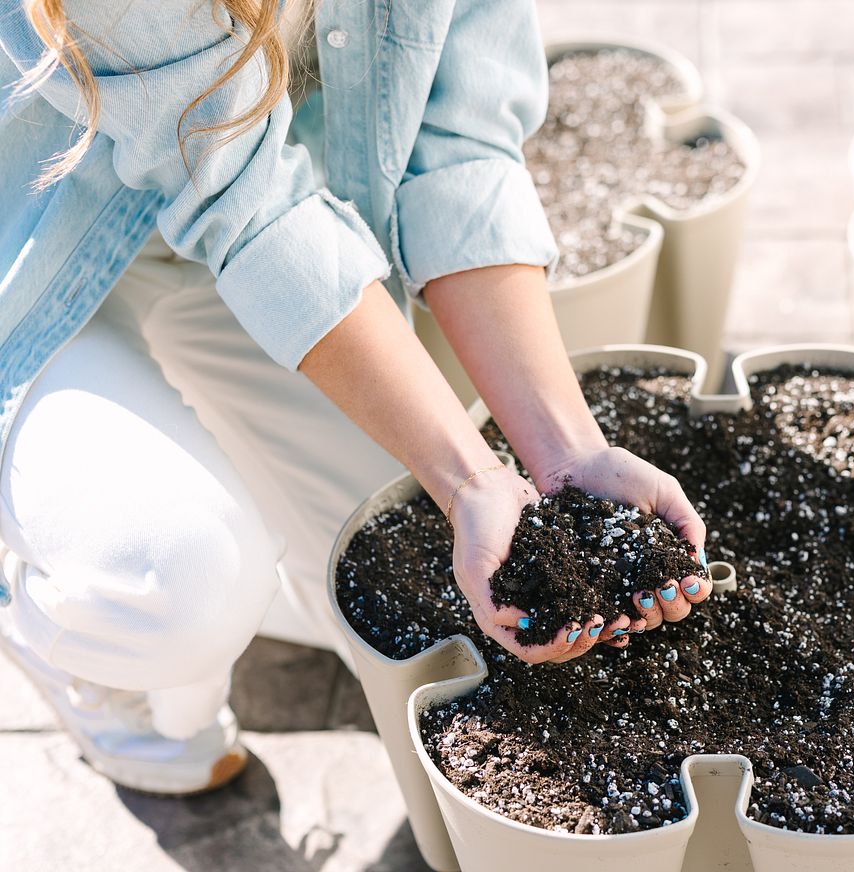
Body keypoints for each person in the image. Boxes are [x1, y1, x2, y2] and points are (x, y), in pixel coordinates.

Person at [0, 0, 710, 796]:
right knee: (180, 589)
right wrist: (467, 476)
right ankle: (53, 629)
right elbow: (245, 200)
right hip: (36, 248)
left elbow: (460, 141)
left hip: (259, 224)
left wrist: (565, 453)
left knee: (394, 587)